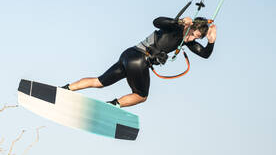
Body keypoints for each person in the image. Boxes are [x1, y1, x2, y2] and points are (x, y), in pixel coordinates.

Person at [62, 16, 217, 107]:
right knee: (141, 95)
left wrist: (211, 41)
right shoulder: (175, 28)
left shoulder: (187, 41)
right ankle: (112, 106)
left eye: (196, 38)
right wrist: (180, 22)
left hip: (128, 55)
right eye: (193, 34)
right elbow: (157, 22)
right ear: (191, 27)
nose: (192, 38)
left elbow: (204, 54)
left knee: (99, 82)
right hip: (139, 60)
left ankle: (66, 89)